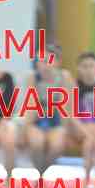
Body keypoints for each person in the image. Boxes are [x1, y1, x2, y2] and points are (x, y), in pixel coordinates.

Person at [23, 46, 73, 175]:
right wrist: (25, 130)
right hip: (37, 119)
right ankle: (39, 173)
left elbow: (65, 109)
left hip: (55, 119)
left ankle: (42, 172)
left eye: (47, 61)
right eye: (40, 61)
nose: (43, 66)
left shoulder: (64, 77)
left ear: (57, 62)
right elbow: (31, 107)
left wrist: (66, 131)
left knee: (56, 145)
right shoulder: (32, 77)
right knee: (36, 143)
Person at [67, 52, 95, 188]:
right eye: (84, 66)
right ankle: (90, 178)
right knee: (90, 138)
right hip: (80, 128)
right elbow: (72, 115)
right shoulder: (74, 86)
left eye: (91, 66)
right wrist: (85, 130)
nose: (88, 69)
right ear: (78, 69)